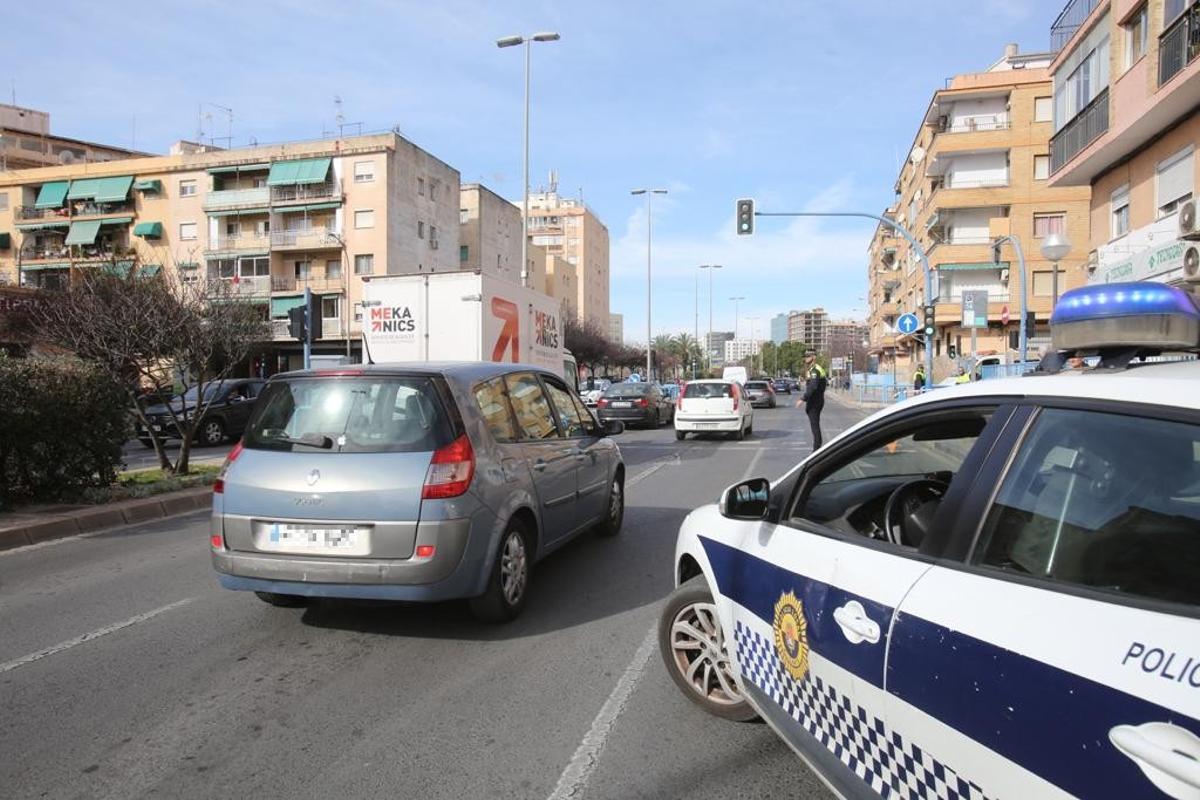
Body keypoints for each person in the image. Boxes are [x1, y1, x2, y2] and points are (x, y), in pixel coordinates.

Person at [795, 353, 828, 450]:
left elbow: (813, 386)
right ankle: (817, 448)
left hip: (815, 401)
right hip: (817, 400)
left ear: (814, 358)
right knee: (815, 425)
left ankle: (816, 450)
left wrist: (803, 399)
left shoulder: (815, 370)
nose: (806, 358)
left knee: (815, 426)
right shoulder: (814, 369)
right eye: (805, 356)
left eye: (808, 356)